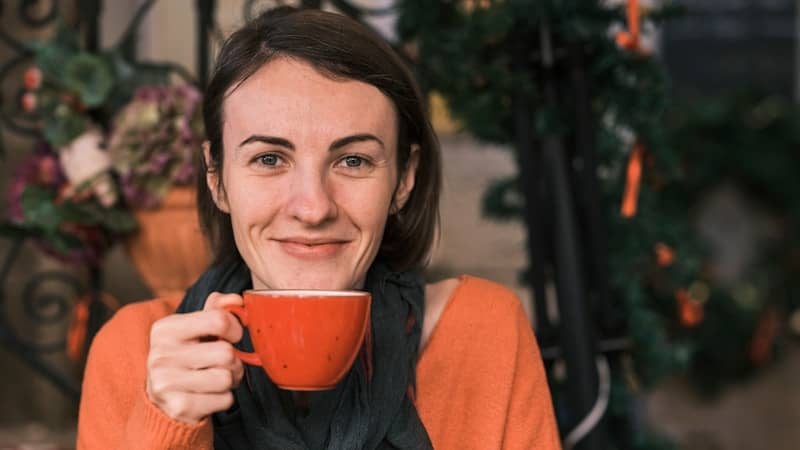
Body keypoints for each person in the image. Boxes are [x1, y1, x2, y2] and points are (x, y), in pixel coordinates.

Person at [77, 6, 560, 450]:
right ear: (216, 179)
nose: (312, 208)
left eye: (353, 160)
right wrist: (166, 427)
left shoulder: (481, 331)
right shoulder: (135, 350)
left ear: (404, 179)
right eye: (268, 159)